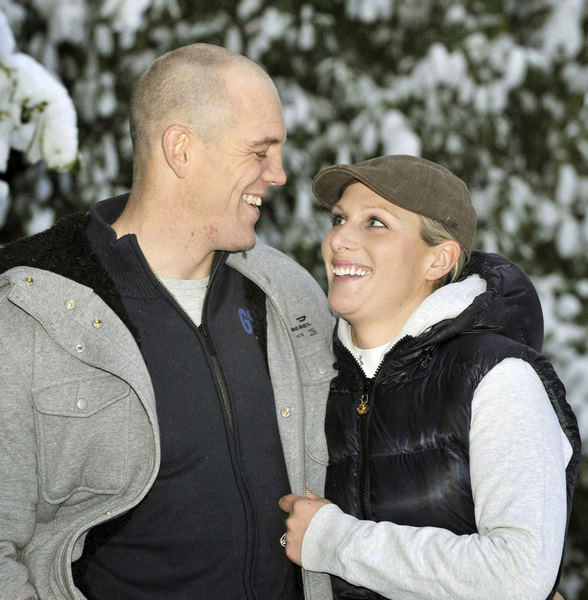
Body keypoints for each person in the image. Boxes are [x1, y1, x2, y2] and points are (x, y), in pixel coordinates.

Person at [0, 43, 335, 600]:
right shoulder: (30, 310)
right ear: (180, 149)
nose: (277, 175)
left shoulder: (286, 294)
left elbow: (389, 429)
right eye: (259, 151)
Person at [279, 155, 581, 600]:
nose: (339, 237)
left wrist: (333, 541)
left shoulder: (496, 378)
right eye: (340, 218)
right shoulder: (311, 376)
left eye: (375, 223)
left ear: (439, 260)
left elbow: (519, 574)